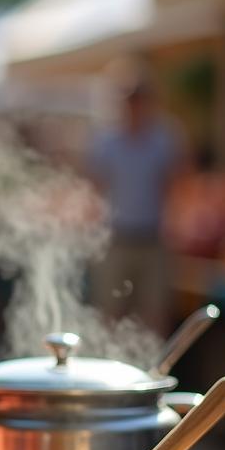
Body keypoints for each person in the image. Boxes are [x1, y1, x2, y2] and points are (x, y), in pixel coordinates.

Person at [89, 74, 186, 332]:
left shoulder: (163, 138)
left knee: (154, 311)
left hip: (152, 236)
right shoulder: (108, 141)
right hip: (117, 236)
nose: (135, 108)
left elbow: (175, 182)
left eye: (141, 101)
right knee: (110, 309)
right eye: (131, 102)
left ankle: (151, 365)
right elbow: (97, 184)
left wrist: (175, 221)